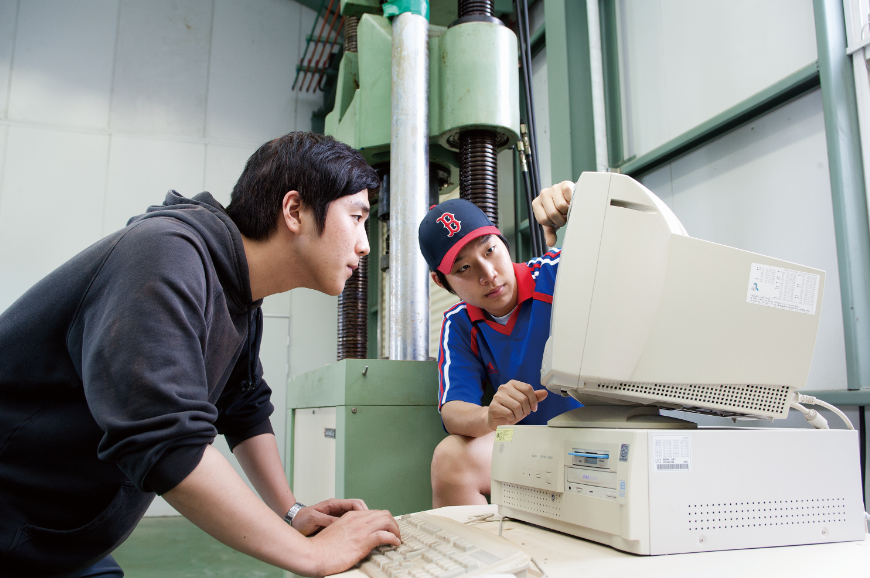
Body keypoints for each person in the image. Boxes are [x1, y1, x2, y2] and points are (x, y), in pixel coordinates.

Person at [0, 133, 401, 578]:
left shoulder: (238, 294)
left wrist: (290, 512)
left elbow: (244, 407)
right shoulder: (164, 254)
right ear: (294, 210)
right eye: (357, 217)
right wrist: (311, 555)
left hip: (61, 543)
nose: (365, 245)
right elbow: (165, 440)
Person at [420, 181, 578, 507]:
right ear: (440, 280)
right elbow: (453, 411)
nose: (489, 274)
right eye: (464, 268)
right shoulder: (459, 323)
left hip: (605, 435)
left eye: (490, 250)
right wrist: (489, 418)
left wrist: (580, 202)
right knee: (451, 457)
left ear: (503, 242)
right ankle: (483, 557)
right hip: (536, 448)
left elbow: (616, 248)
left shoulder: (558, 271)